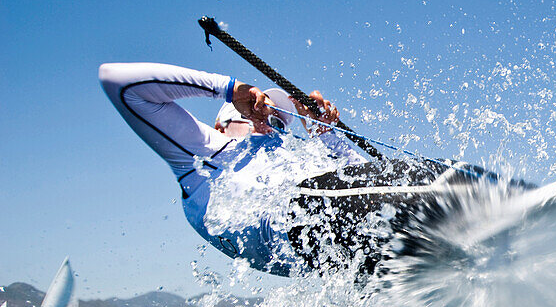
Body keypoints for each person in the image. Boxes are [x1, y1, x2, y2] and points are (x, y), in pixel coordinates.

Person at [99, 62, 362, 276]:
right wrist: (229, 89)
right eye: (254, 115)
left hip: (342, 243)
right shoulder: (205, 155)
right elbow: (116, 80)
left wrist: (324, 133)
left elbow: (370, 176)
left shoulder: (294, 159)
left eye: (278, 123)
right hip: (310, 230)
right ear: (220, 127)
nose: (269, 128)